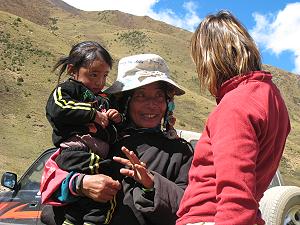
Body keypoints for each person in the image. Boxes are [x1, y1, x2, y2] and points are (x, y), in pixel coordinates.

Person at [40, 53, 193, 225]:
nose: (152, 104)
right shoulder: (99, 140)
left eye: (159, 96)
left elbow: (191, 207)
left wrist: (151, 185)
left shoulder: (180, 151)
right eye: (141, 95)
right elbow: (50, 184)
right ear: (124, 102)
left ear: (168, 103)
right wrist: (81, 184)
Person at [176, 10, 290, 225]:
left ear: (210, 59)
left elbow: (236, 187)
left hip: (212, 217)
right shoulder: (271, 97)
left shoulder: (236, 103)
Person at [45, 41, 124, 225]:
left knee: (94, 199)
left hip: (93, 156)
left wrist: (116, 118)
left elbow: (113, 132)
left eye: (105, 76)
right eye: (93, 74)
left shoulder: (104, 99)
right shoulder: (67, 90)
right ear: (73, 70)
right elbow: (57, 107)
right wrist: (92, 114)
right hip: (76, 153)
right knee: (111, 184)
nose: (100, 82)